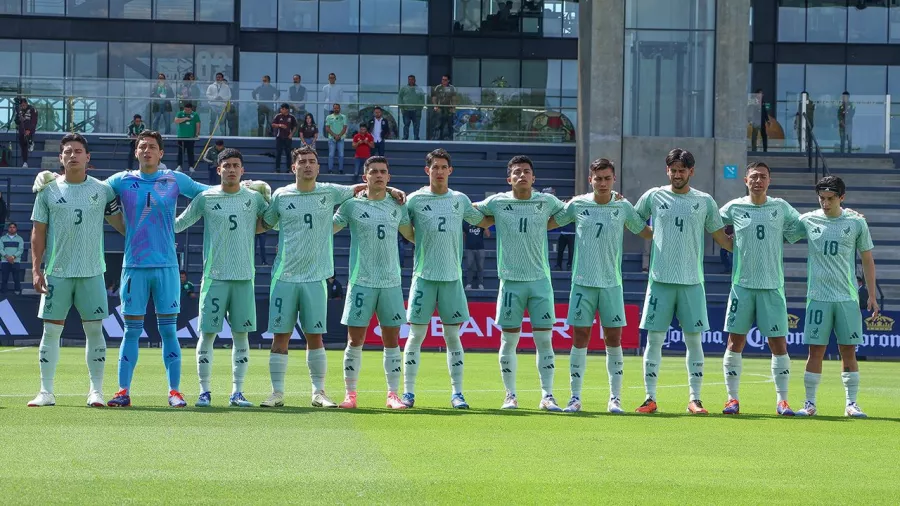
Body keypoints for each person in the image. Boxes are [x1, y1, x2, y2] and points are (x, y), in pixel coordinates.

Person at [31, 130, 210, 408]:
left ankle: (175, 391)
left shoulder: (175, 179)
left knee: (168, 331)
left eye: (152, 147)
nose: (147, 150)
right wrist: (50, 177)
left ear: (161, 153)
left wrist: (182, 222)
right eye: (142, 147)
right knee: (131, 331)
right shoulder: (120, 181)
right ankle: (122, 391)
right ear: (136, 152)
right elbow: (83, 186)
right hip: (133, 266)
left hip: (166, 266)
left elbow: (210, 195)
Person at [259, 145, 405, 409]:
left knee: (315, 337)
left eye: (311, 161)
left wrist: (392, 191)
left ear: (317, 167)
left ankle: (319, 393)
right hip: (284, 276)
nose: (307, 165)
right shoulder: (281, 195)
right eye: (302, 161)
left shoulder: (331, 192)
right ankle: (276, 393)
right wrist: (253, 199)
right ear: (294, 167)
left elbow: (364, 188)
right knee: (280, 336)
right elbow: (264, 223)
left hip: (317, 278)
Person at [26, 133, 126, 408]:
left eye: (78, 151)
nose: (73, 155)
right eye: (68, 151)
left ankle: (96, 392)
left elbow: (122, 226)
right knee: (51, 332)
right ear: (60, 158)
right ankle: (46, 391)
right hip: (57, 271)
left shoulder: (102, 190)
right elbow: (38, 232)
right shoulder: (47, 190)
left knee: (95, 331)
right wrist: (36, 269)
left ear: (87, 157)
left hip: (92, 272)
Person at [548, 158, 652, 413]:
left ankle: (615, 398)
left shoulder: (623, 206)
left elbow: (644, 231)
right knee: (580, 337)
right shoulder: (578, 204)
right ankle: (575, 397)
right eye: (598, 178)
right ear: (590, 179)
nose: (603, 183)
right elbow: (550, 222)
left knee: (613, 339)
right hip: (582, 284)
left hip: (611, 284)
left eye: (607, 178)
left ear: (614, 179)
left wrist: (671, 235)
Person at [633, 148, 733, 415]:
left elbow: (720, 236)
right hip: (660, 281)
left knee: (694, 342)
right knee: (654, 341)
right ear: (668, 171)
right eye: (673, 170)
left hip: (691, 282)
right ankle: (649, 398)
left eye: (682, 170)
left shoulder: (704, 201)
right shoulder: (654, 196)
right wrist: (651, 234)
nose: (677, 175)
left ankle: (695, 399)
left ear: (692, 171)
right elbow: (633, 220)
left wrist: (744, 248)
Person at [175, 148, 269, 408]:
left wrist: (270, 197)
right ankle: (204, 391)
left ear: (242, 170)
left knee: (241, 337)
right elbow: (179, 223)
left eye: (235, 165)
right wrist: (152, 221)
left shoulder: (254, 199)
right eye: (226, 165)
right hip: (214, 278)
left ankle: (237, 392)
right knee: (207, 335)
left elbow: (273, 221)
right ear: (218, 170)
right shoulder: (206, 197)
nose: (231, 169)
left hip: (243, 278)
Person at [474, 155, 567, 411]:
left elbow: (570, 211)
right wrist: (489, 221)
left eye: (526, 171)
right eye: (517, 172)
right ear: (509, 178)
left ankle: (547, 396)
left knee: (544, 341)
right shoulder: (498, 202)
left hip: (540, 282)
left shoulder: (546, 201)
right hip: (511, 282)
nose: (522, 175)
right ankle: (510, 395)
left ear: (533, 178)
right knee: (509, 341)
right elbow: (472, 211)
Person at [401, 148, 492, 409]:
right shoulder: (415, 200)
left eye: (443, 167)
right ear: (426, 170)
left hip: (452, 278)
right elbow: (403, 225)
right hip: (424, 277)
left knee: (453, 338)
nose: (439, 171)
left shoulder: (460, 200)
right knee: (416, 335)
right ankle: (408, 393)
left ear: (450, 171)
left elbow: (482, 219)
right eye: (435, 167)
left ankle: (458, 393)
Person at [785, 176, 878, 418]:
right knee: (815, 351)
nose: (825, 203)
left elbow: (867, 259)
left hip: (847, 297)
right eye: (822, 198)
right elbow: (782, 233)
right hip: (817, 297)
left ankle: (851, 404)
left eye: (831, 198)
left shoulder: (856, 223)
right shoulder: (807, 220)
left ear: (842, 198)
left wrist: (872, 294)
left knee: (848, 350)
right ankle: (809, 403)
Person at [718, 162, 803, 416]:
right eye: (753, 177)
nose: (758, 181)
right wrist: (728, 244)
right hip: (742, 286)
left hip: (771, 286)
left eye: (762, 177)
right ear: (745, 180)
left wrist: (846, 212)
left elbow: (805, 224)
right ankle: (732, 399)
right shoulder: (734, 207)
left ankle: (783, 401)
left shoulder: (780, 207)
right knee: (735, 342)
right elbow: (711, 222)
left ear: (769, 180)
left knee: (779, 344)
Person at [332, 156, 416, 410]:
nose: (379, 175)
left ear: (389, 177)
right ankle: (350, 394)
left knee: (391, 341)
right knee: (354, 340)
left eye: (383, 172)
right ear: (365, 176)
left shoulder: (397, 206)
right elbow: (328, 229)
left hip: (390, 282)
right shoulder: (351, 206)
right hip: (361, 282)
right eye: (374, 172)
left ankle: (392, 395)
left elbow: (411, 236)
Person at [174, 102, 200, 173]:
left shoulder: (195, 115)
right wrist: (185, 118)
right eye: (186, 110)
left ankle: (191, 166)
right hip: (181, 137)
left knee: (190, 152)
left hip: (191, 137)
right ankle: (179, 165)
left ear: (191, 109)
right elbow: (176, 121)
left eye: (188, 110)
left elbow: (198, 123)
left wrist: (197, 133)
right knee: (180, 152)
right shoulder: (180, 113)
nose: (187, 111)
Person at [272, 103, 298, 174]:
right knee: (278, 153)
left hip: (288, 138)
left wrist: (291, 134)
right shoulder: (278, 116)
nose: (281, 110)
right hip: (279, 137)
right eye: (281, 109)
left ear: (286, 109)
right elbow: (273, 124)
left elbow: (295, 126)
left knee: (288, 154)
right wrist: (280, 125)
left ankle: (288, 169)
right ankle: (277, 169)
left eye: (283, 109)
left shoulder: (291, 117)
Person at [463, 220, 489, 290]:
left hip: (480, 248)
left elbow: (488, 235)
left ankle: (480, 284)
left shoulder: (482, 222)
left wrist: (485, 226)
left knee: (480, 267)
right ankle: (469, 284)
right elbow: (463, 236)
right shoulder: (465, 222)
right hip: (469, 248)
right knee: (469, 266)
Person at [399, 75, 425, 140]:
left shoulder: (419, 89)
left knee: (416, 126)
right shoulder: (403, 88)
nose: (411, 81)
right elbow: (400, 98)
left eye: (412, 79)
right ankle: (405, 137)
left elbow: (422, 99)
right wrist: (402, 108)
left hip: (416, 110)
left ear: (415, 80)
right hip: (406, 110)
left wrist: (420, 108)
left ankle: (416, 137)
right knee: (406, 125)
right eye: (409, 79)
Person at [431, 75, 457, 141]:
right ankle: (437, 139)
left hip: (448, 109)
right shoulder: (438, 87)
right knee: (438, 125)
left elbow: (454, 99)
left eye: (445, 80)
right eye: (442, 79)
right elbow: (434, 98)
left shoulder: (452, 88)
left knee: (449, 125)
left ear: (448, 80)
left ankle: (449, 139)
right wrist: (435, 106)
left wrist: (453, 108)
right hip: (440, 109)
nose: (443, 81)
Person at [1, 222, 24, 295]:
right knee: (4, 278)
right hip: (5, 261)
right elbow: (1, 249)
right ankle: (3, 292)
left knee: (16, 278)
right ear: (8, 229)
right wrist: (7, 257)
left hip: (16, 261)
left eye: (13, 227)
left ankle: (17, 291)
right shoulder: (2, 238)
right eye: (10, 227)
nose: (12, 229)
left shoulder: (20, 239)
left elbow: (21, 250)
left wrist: (13, 257)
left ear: (16, 229)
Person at [15, 97, 37, 168]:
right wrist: (18, 119)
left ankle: (31, 142)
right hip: (21, 131)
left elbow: (34, 121)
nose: (23, 106)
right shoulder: (19, 110)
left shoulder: (32, 109)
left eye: (24, 104)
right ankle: (24, 162)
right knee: (22, 146)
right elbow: (16, 121)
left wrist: (29, 130)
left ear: (27, 103)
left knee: (26, 144)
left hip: (29, 131)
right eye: (22, 105)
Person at [325, 104, 348, 174]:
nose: (336, 109)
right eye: (335, 108)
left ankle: (341, 169)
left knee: (341, 154)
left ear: (339, 109)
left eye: (337, 108)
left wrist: (339, 136)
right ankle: (330, 170)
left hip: (341, 139)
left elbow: (345, 128)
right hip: (332, 139)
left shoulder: (343, 117)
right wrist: (335, 135)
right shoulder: (329, 117)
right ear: (333, 109)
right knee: (331, 154)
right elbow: (327, 128)